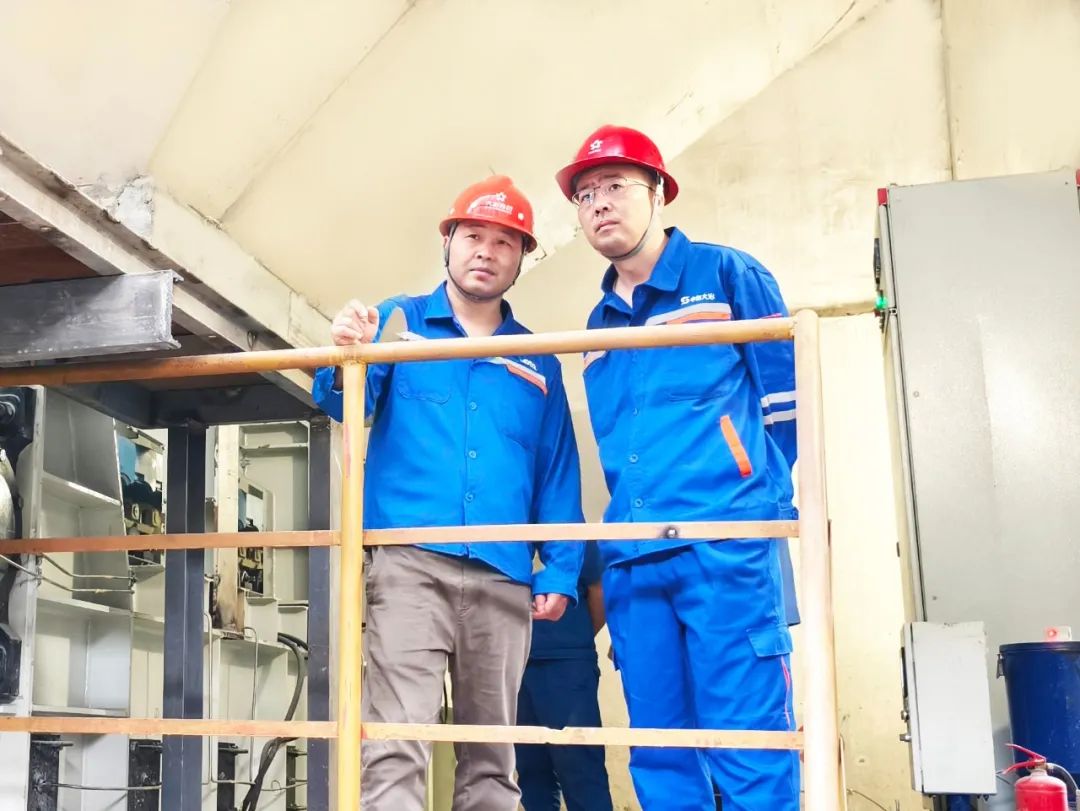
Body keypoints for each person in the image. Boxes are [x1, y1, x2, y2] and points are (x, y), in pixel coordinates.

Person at [312, 175, 585, 811]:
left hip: (503, 573)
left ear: (523, 257)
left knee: (493, 757)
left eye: (505, 241)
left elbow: (556, 470)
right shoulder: (399, 322)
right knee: (395, 741)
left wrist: (561, 568)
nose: (486, 251)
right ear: (448, 242)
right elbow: (344, 402)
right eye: (473, 236)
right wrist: (346, 354)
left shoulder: (539, 359)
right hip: (410, 564)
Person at [554, 126, 801, 811]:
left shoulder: (726, 276)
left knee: (749, 741)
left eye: (615, 186)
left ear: (659, 192)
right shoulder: (597, 325)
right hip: (635, 558)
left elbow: (787, 407)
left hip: (724, 544)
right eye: (585, 195)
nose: (599, 204)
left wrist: (749, 504)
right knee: (660, 749)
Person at [515, 540, 613, 811]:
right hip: (513, 663)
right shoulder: (502, 527)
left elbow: (598, 591)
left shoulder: (573, 533)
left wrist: (576, 641)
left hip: (566, 661)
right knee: (530, 770)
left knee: (581, 767)